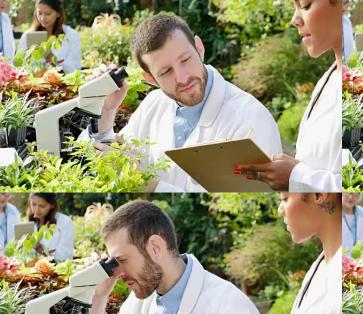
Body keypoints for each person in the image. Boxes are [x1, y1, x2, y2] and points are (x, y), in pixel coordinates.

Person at [69, 200, 267, 314]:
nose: (118, 272)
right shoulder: (141, 300)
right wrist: (97, 297)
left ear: (156, 247)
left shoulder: (231, 309)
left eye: (121, 260)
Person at [79, 14, 282, 192]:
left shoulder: (250, 120)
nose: (183, 78)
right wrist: (106, 111)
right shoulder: (154, 104)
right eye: (166, 72)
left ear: (199, 48)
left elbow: (246, 204)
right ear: (150, 79)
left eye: (185, 60)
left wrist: (149, 184)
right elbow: (113, 159)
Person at [228, 193, 342, 314]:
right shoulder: (318, 266)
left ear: (319, 195)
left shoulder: (353, 269)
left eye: (285, 198)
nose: (280, 209)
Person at [236, 0, 342, 192]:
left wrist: (295, 175)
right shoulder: (328, 79)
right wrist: (281, 170)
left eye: (306, 5)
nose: (295, 20)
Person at [16, 0, 81, 73]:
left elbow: (75, 68)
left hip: (63, 82)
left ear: (58, 13)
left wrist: (54, 60)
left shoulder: (71, 35)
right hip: (35, 82)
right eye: (39, 13)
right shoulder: (28, 36)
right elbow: (19, 66)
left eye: (48, 13)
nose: (43, 18)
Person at [27, 193, 73, 262]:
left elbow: (65, 256)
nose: (36, 210)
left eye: (42, 206)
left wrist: (41, 250)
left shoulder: (64, 222)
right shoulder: (28, 224)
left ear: (52, 205)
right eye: (33, 204)